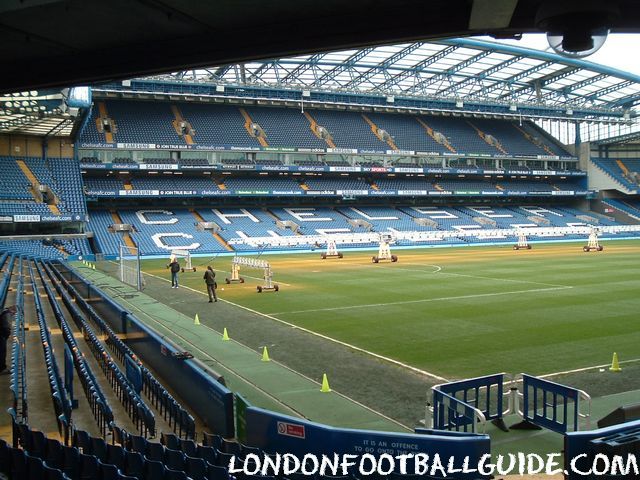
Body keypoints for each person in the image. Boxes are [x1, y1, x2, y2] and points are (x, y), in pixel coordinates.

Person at [0, 305, 16, 374]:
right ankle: (2, 368)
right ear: (12, 311)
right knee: (2, 352)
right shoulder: (7, 314)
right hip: (1, 336)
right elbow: (6, 327)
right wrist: (8, 335)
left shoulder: (4, 312)